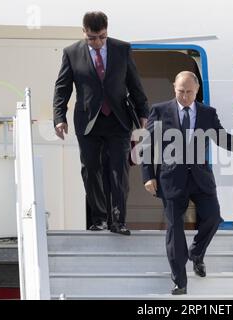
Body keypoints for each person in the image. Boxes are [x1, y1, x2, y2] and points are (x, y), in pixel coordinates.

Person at [142, 71, 233, 295]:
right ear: (174, 88)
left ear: (196, 90)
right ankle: (180, 282)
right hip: (171, 178)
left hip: (200, 178)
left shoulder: (207, 113)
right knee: (175, 228)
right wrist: (148, 176)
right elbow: (147, 144)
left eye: (189, 92)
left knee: (213, 217)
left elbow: (223, 138)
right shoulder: (160, 111)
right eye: (180, 91)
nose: (184, 96)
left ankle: (196, 253)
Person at [52, 11, 149, 235]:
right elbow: (62, 88)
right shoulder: (71, 53)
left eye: (102, 37)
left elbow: (135, 84)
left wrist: (143, 111)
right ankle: (99, 219)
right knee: (91, 169)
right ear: (84, 32)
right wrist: (59, 118)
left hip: (118, 119)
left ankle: (117, 220)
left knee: (119, 170)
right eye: (92, 38)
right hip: (88, 121)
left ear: (107, 31)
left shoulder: (122, 49)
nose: (97, 42)